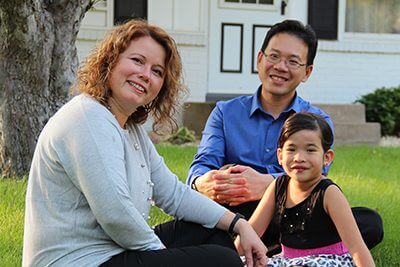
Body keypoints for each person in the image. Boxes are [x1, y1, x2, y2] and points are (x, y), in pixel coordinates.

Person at [22, 19, 267, 267]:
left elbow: (174, 194)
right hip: (78, 261)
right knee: (221, 260)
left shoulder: (129, 128)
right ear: (111, 60)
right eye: (137, 61)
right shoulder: (87, 117)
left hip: (113, 251)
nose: (145, 75)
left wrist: (238, 223)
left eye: (157, 71)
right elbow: (117, 215)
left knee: (211, 234)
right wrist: (161, 257)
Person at [186, 19, 383, 255]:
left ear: (307, 72)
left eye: (293, 61)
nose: (281, 67)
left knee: (368, 222)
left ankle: (244, 250)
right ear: (260, 59)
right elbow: (201, 164)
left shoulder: (317, 121)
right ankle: (284, 250)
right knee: (186, 226)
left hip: (292, 216)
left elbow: (319, 177)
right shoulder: (225, 112)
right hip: (234, 212)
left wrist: (271, 184)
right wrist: (203, 182)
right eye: (274, 56)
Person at [235, 112, 375, 266]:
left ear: (327, 157)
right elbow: (252, 231)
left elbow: (356, 247)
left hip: (325, 262)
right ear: (280, 156)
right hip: (286, 261)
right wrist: (231, 257)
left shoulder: (328, 192)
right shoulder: (278, 185)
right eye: (292, 149)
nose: (299, 158)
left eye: (310, 150)